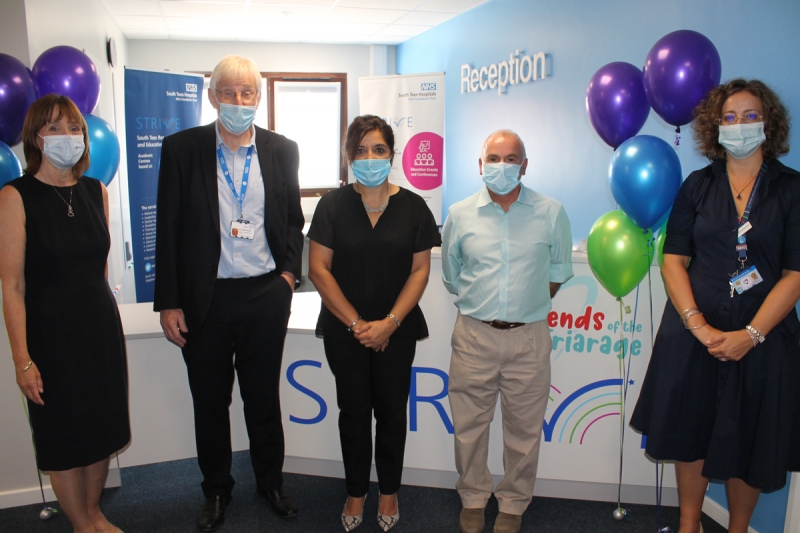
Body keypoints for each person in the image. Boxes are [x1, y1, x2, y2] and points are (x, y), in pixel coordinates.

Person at [631, 79, 800, 533]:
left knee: (751, 438)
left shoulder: (791, 189)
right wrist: (697, 325)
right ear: (715, 126)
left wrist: (751, 335)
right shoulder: (697, 186)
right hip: (693, 336)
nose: (740, 125)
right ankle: (690, 523)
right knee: (691, 430)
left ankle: (738, 528)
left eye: (750, 116)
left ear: (768, 124)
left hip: (764, 339)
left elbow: (795, 275)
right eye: (729, 117)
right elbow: (673, 261)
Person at [154, 55, 304, 531]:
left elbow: (293, 221)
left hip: (265, 295)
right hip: (206, 298)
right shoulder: (182, 149)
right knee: (210, 402)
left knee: (263, 398)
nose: (239, 101)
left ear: (258, 97)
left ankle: (270, 482)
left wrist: (287, 277)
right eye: (229, 92)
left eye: (248, 93)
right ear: (213, 96)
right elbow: (168, 228)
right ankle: (216, 490)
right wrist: (169, 301)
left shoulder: (282, 149)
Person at [0, 95, 129, 533]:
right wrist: (22, 360)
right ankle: (80, 524)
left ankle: (94, 513)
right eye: (54, 128)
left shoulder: (96, 191)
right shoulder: (15, 197)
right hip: (50, 338)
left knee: (101, 430)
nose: (67, 136)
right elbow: (12, 286)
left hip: (99, 330)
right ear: (35, 137)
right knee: (64, 437)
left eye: (74, 128)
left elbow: (99, 267)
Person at [307, 115, 440, 532]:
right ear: (349, 156)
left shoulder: (414, 207)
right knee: (353, 413)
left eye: (378, 149)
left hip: (397, 330)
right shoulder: (331, 205)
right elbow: (318, 270)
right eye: (361, 150)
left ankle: (389, 492)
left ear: (391, 154)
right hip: (344, 330)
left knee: (392, 413)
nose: (370, 158)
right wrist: (359, 325)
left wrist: (389, 324)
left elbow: (420, 271)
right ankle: (355, 492)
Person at [441, 130, 573, 533]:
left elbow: (556, 274)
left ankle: (514, 503)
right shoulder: (460, 214)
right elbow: (452, 276)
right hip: (474, 335)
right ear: (480, 165)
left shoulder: (551, 213)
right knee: (469, 427)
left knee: (524, 430)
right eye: (494, 158)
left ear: (524, 166)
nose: (502, 166)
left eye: (511, 158)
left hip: (528, 337)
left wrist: (522, 304)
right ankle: (473, 496)